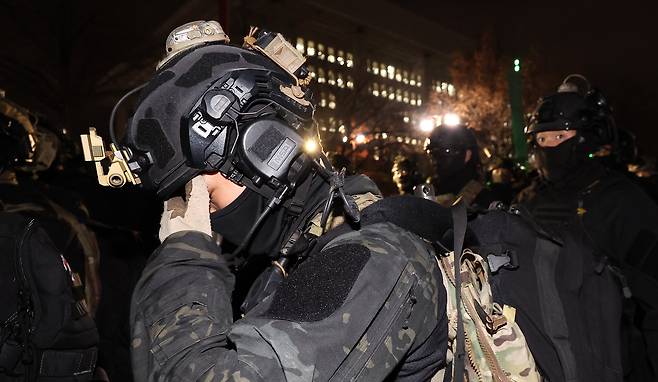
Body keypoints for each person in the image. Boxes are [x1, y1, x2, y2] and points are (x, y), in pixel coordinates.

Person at [100, 21, 448, 381]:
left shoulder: (375, 260)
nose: (205, 216)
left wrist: (184, 262)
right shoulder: (289, 262)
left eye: (205, 197)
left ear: (265, 153)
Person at [515, 75, 658, 381]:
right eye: (543, 139)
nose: (550, 146)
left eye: (560, 137)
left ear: (585, 137)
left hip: (614, 361)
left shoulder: (622, 202)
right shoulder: (527, 200)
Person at [426, 122, 497, 210]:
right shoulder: (429, 193)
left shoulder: (483, 200)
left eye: (446, 151)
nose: (435, 160)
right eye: (432, 154)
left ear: (467, 155)